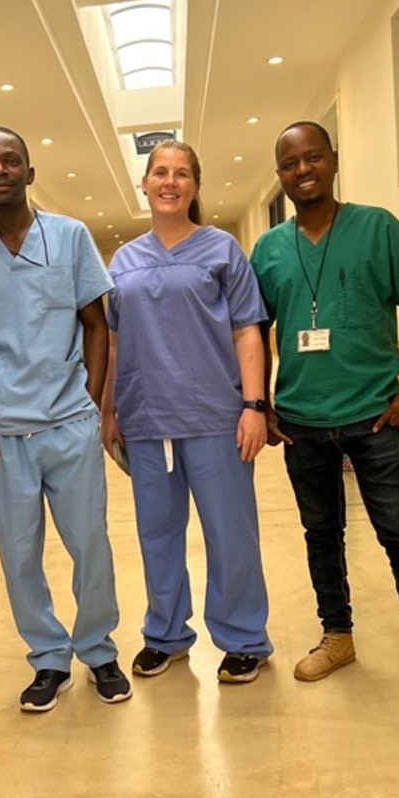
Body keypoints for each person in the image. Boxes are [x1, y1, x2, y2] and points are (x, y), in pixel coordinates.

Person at [250, 120, 399, 709]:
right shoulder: (269, 248)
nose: (303, 170)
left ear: (333, 160)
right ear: (280, 175)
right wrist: (261, 403)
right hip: (299, 422)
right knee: (322, 534)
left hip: (375, 416)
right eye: (290, 163)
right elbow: (251, 331)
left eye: (313, 158)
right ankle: (337, 635)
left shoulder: (377, 227)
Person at [0, 126, 130, 712]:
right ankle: (48, 658)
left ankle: (98, 649)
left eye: (11, 161)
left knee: (90, 544)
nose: (0, 170)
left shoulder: (70, 238)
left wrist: (91, 402)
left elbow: (96, 324)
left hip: (68, 423)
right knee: (18, 553)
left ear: (29, 172)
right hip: (3, 433)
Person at [102, 140, 273, 684]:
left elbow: (248, 329)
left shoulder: (222, 249)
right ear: (145, 185)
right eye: (159, 173)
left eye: (181, 174)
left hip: (216, 418)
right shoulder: (123, 260)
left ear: (195, 186)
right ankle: (166, 635)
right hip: (147, 421)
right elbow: (110, 341)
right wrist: (107, 412)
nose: (169, 182)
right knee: (156, 535)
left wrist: (253, 406)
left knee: (230, 533)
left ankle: (244, 638)